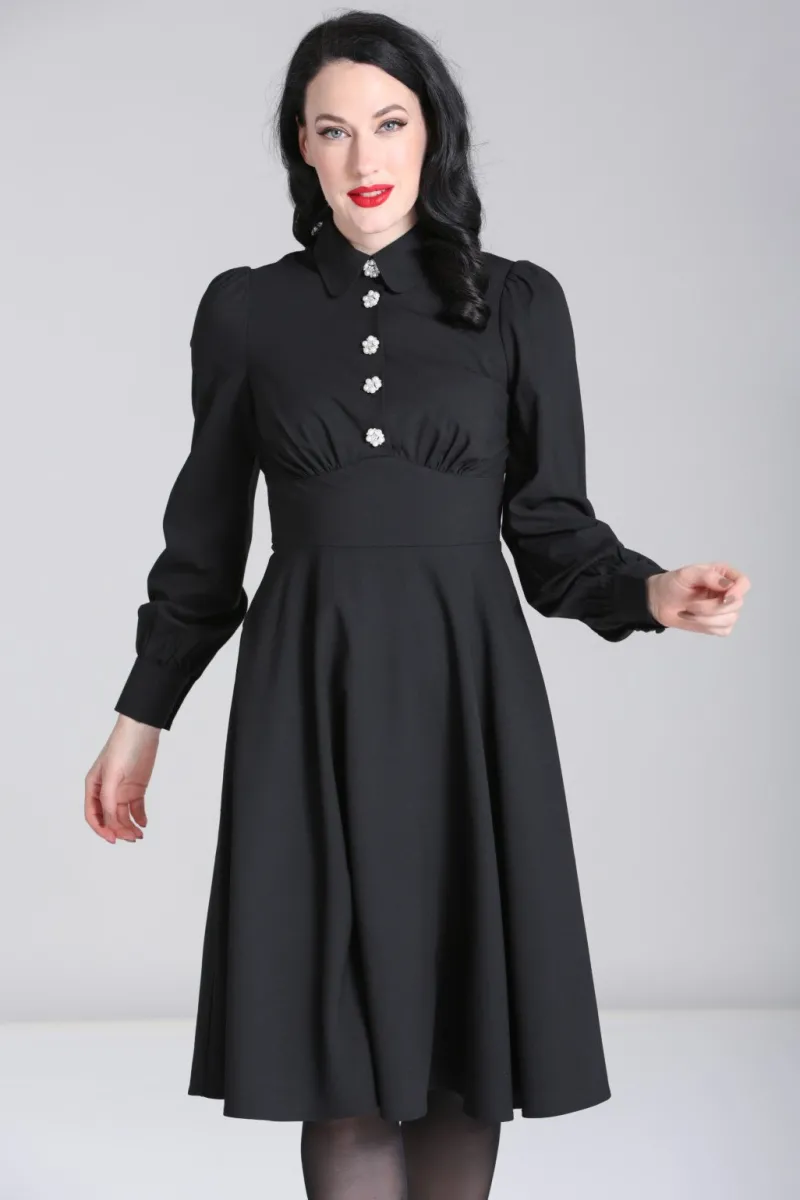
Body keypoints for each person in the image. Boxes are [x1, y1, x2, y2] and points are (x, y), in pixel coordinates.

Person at [84, 11, 749, 1200]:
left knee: (459, 1057)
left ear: (431, 133)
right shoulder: (246, 311)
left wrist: (649, 592)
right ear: (299, 145)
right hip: (306, 704)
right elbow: (202, 549)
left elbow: (552, 533)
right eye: (332, 130)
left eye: (387, 123)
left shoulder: (518, 304)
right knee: (336, 1064)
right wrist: (141, 720)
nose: (362, 156)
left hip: (465, 699)